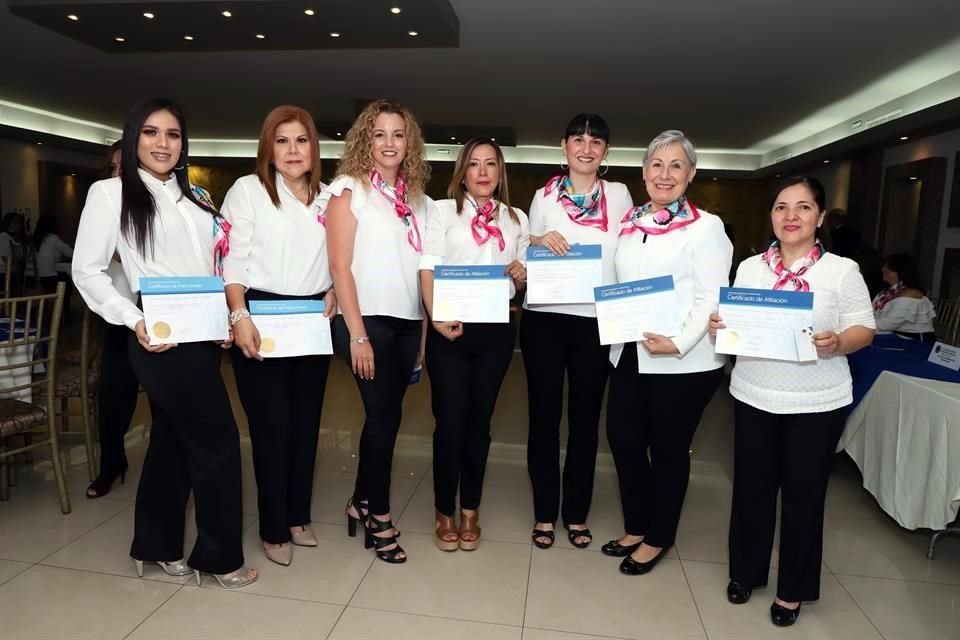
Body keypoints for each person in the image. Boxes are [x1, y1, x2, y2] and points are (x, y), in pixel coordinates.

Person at [72, 97, 257, 588]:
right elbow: (87, 271)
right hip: (157, 335)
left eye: (172, 135)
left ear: (183, 144)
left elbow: (211, 268)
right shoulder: (110, 194)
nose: (162, 143)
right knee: (217, 443)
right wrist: (133, 319)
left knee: (172, 442)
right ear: (134, 139)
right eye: (151, 133)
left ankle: (153, 546)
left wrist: (222, 317)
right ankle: (219, 559)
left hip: (200, 333)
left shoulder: (195, 196)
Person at [711, 176, 875, 627]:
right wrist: (721, 329)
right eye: (782, 207)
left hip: (816, 401)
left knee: (804, 498)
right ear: (771, 215)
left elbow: (865, 329)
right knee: (751, 490)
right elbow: (737, 328)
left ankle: (793, 589)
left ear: (820, 217)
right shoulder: (750, 269)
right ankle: (746, 572)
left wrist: (838, 342)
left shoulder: (841, 271)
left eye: (803, 208)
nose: (791, 216)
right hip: (754, 393)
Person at [602, 130, 732, 575]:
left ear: (690, 174)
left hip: (683, 361)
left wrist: (678, 341)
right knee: (624, 441)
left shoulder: (706, 227)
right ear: (643, 173)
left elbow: (712, 296)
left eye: (676, 165)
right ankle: (637, 525)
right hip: (631, 353)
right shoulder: (631, 224)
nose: (665, 174)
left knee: (668, 450)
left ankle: (659, 536)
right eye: (656, 164)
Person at [221, 105, 336, 567]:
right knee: (271, 429)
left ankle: (297, 517)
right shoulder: (248, 191)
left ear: (314, 148)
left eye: (302, 140)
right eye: (282, 141)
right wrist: (238, 314)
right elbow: (231, 260)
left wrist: (334, 291)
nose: (292, 150)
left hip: (311, 322)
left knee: (307, 425)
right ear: (268, 148)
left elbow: (342, 258)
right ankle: (272, 527)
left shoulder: (331, 198)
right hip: (260, 316)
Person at [326, 99, 436, 564]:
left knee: (384, 418)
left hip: (409, 323)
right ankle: (380, 516)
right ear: (364, 141)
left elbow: (424, 270)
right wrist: (357, 335)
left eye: (397, 134)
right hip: (363, 321)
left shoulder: (420, 200)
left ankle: (360, 500)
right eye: (379, 134)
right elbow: (339, 265)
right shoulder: (348, 189)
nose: (389, 143)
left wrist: (424, 337)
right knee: (383, 417)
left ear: (408, 142)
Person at [521, 113, 634, 550]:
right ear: (564, 145)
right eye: (578, 139)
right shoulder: (543, 196)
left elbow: (630, 254)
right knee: (544, 420)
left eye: (596, 142)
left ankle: (577, 514)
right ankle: (546, 514)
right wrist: (537, 242)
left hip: (597, 322)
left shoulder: (621, 196)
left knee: (586, 423)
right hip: (545, 318)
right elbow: (526, 251)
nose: (586, 148)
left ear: (606, 151)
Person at [419, 137, 529, 551]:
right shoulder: (442, 211)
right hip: (451, 330)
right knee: (449, 423)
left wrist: (521, 273)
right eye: (474, 164)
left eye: (491, 165)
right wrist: (436, 317)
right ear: (462, 171)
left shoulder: (516, 219)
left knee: (479, 424)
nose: (482, 172)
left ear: (501, 173)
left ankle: (471, 509)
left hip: (496, 332)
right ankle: (443, 509)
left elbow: (521, 282)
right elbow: (426, 268)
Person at [85, 140, 142, 499]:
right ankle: (111, 465)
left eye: (127, 165)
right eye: (114, 166)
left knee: (167, 402)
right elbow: (94, 263)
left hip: (162, 318)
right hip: (121, 317)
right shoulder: (103, 204)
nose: (120, 172)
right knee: (113, 396)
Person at [873, 253, 936, 342]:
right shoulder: (884, 293)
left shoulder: (911, 295)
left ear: (899, 270)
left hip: (914, 343)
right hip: (891, 336)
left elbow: (886, 324)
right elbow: (869, 313)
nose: (882, 269)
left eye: (887, 267)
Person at [32, 215, 73, 292]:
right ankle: (62, 303)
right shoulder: (52, 238)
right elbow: (70, 253)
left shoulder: (38, 238)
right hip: (51, 276)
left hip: (40, 276)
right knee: (68, 283)